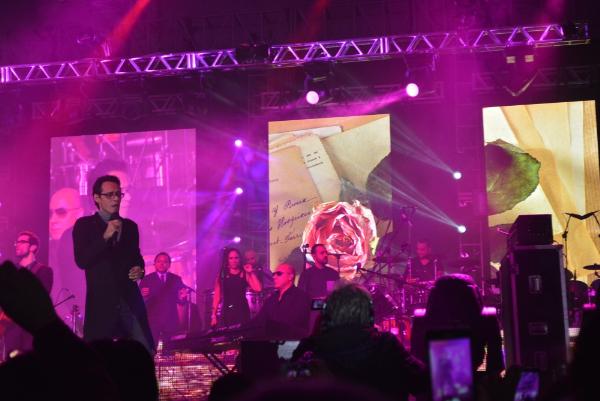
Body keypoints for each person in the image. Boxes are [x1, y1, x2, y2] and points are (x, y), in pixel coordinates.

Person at [291, 283, 427, 401]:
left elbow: (289, 386)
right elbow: (421, 382)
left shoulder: (313, 346)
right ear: (367, 311)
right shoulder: (385, 344)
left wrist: (316, 332)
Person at [72, 174, 154, 353]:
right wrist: (105, 236)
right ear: (96, 198)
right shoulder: (84, 225)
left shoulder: (130, 226)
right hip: (102, 304)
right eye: (110, 195)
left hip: (129, 300)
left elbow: (136, 256)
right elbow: (82, 260)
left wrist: (139, 269)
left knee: (143, 351)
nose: (116, 199)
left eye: (118, 194)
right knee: (101, 357)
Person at [410, 274, 504, 376]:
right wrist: (492, 377)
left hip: (432, 375)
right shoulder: (487, 317)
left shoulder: (421, 318)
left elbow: (416, 354)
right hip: (473, 367)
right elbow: (495, 359)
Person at [3, 231, 54, 356]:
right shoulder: (11, 271)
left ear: (33, 247)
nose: (17, 244)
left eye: (22, 242)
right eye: (17, 242)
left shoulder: (43, 271)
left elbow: (40, 297)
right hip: (10, 328)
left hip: (30, 329)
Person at [48, 187, 86, 329]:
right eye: (50, 214)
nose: (53, 220)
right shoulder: (44, 254)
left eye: (61, 212)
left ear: (79, 214)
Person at [250, 263, 311, 338]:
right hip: (273, 340)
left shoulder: (301, 297)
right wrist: (240, 328)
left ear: (290, 276)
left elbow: (294, 324)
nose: (274, 277)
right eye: (274, 274)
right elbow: (259, 320)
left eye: (279, 274)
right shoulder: (272, 299)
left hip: (291, 342)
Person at [139, 252, 185, 344]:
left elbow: (181, 301)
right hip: (152, 320)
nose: (161, 264)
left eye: (165, 262)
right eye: (159, 261)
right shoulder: (147, 279)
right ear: (154, 263)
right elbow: (139, 302)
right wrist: (142, 296)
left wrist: (182, 298)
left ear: (169, 264)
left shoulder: (176, 279)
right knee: (151, 346)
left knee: (170, 348)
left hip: (170, 319)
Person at [211, 248, 262, 327]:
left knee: (242, 333)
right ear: (227, 260)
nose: (234, 260)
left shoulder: (244, 273)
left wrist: (251, 272)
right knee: (227, 333)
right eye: (231, 258)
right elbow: (217, 296)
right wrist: (214, 315)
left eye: (236, 258)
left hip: (242, 310)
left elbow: (258, 288)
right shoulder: (222, 274)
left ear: (240, 259)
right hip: (227, 311)